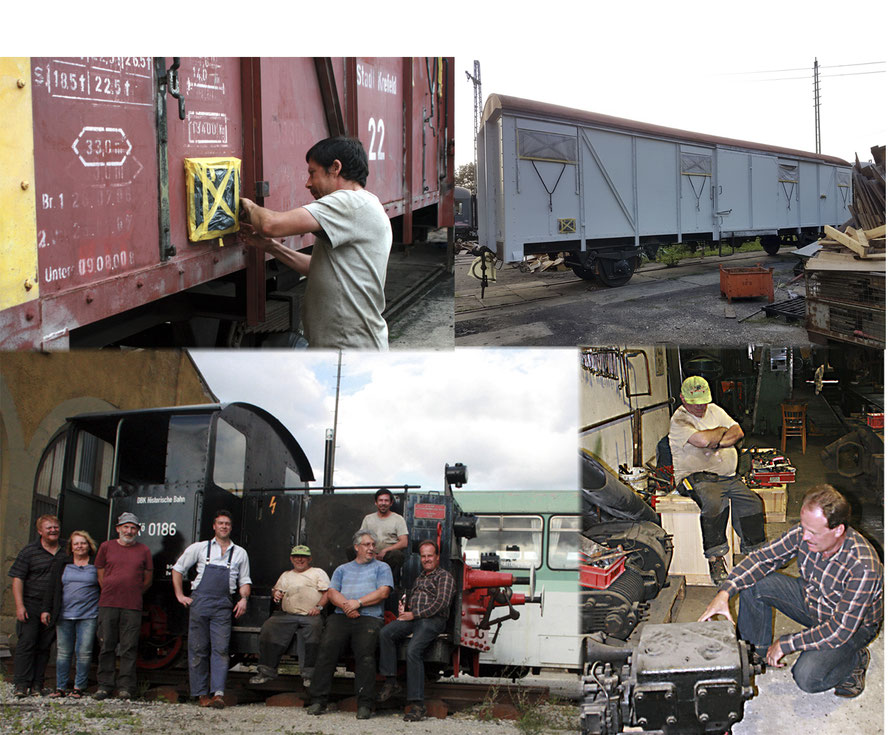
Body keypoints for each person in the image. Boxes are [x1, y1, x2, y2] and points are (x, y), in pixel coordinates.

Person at [699, 485, 882, 698]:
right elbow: (761, 559)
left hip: (852, 626)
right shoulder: (804, 534)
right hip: (814, 601)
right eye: (804, 527)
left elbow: (838, 630)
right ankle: (755, 654)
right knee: (754, 581)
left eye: (812, 532)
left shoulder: (863, 567)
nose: (804, 536)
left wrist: (786, 643)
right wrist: (725, 592)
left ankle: (854, 660)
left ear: (838, 530)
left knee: (807, 676)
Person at [239, 136, 393, 349]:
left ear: (335, 168)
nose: (308, 183)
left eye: (313, 173)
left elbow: (270, 225)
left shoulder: (350, 202)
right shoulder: (364, 203)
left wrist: (247, 206)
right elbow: (319, 269)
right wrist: (270, 247)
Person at [668, 375, 765, 585]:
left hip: (727, 477)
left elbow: (737, 431)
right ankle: (715, 557)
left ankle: (754, 551)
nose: (702, 406)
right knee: (713, 502)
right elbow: (702, 441)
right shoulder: (680, 419)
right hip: (694, 478)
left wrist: (717, 442)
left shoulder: (715, 410)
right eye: (696, 403)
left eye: (704, 401)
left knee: (752, 501)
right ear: (683, 399)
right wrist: (721, 432)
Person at [307, 530, 393, 720]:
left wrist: (359, 603)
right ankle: (318, 700)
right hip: (342, 615)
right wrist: (348, 606)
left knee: (365, 655)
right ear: (356, 547)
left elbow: (383, 592)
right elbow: (331, 593)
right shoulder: (342, 569)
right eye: (367, 545)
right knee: (327, 649)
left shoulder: (382, 567)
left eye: (373, 545)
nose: (371, 548)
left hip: (370, 617)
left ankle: (364, 704)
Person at [172, 509, 251, 709]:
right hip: (200, 602)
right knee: (198, 649)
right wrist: (180, 595)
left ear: (231, 527)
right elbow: (177, 569)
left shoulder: (240, 552)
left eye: (227, 524)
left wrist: (243, 599)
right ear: (214, 526)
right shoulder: (200, 548)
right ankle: (200, 694)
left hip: (224, 604)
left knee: (221, 649)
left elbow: (244, 581)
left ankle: (218, 694)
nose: (224, 526)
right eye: (220, 523)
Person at [377, 540, 457, 721]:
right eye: (423, 556)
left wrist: (415, 614)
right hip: (414, 618)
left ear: (437, 557)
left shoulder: (445, 577)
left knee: (413, 650)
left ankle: (418, 705)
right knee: (385, 633)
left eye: (430, 556)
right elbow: (412, 602)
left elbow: (441, 604)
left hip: (432, 620)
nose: (427, 559)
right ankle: (391, 681)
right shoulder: (420, 578)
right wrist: (404, 609)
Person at [249, 545, 330, 689]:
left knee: (314, 629)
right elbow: (276, 590)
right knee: (269, 627)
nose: (300, 559)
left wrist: (318, 607)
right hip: (287, 615)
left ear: (309, 559)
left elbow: (327, 593)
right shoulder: (286, 575)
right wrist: (276, 594)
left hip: (310, 615)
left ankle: (309, 675)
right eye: (296, 556)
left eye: (303, 557)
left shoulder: (318, 573)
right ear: (291, 559)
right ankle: (266, 672)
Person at [94, 512, 153, 700]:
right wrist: (111, 588)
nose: (129, 531)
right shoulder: (106, 547)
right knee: (107, 645)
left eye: (133, 527)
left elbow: (148, 577)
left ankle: (125, 686)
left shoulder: (143, 550)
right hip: (109, 603)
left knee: (129, 647)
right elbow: (100, 572)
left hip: (132, 605)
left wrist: (133, 591)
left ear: (137, 530)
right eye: (126, 527)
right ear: (118, 528)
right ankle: (104, 685)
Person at [8, 514, 64, 698]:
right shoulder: (29, 551)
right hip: (31, 604)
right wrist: (19, 606)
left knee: (44, 646)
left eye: (55, 527)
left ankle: (37, 684)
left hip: (54, 606)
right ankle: (21, 684)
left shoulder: (66, 549)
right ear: (40, 531)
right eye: (49, 528)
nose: (53, 530)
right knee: (27, 643)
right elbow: (18, 579)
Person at [41, 530, 101, 698]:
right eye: (76, 543)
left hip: (88, 615)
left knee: (84, 652)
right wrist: (46, 609)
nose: (80, 546)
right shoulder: (62, 564)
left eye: (83, 543)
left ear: (89, 546)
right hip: (64, 614)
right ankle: (60, 687)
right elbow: (52, 588)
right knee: (63, 652)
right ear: (71, 547)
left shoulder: (96, 565)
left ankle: (79, 687)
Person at [361, 488, 409, 580]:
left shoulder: (398, 519)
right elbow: (361, 538)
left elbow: (404, 542)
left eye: (386, 501)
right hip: (369, 553)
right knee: (351, 550)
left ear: (391, 503)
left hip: (388, 556)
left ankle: (391, 585)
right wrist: (371, 552)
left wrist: (385, 550)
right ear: (376, 502)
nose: (383, 503)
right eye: (380, 500)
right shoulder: (368, 519)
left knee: (397, 555)